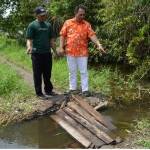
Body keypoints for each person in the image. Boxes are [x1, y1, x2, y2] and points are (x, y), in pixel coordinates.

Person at [59, 4, 106, 97]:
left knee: (83, 71)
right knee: (72, 71)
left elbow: (92, 35)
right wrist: (61, 47)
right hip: (70, 51)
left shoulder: (87, 24)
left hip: (82, 52)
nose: (82, 16)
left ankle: (85, 90)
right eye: (80, 14)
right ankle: (73, 89)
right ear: (75, 13)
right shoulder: (68, 23)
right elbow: (62, 35)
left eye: (84, 15)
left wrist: (99, 44)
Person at [26, 6, 56, 99]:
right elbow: (29, 39)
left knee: (47, 73)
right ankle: (39, 93)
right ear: (36, 15)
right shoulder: (32, 25)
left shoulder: (48, 25)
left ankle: (48, 90)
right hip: (36, 54)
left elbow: (51, 40)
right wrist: (29, 47)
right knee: (37, 74)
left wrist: (55, 51)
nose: (44, 17)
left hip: (47, 53)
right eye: (41, 15)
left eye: (44, 15)